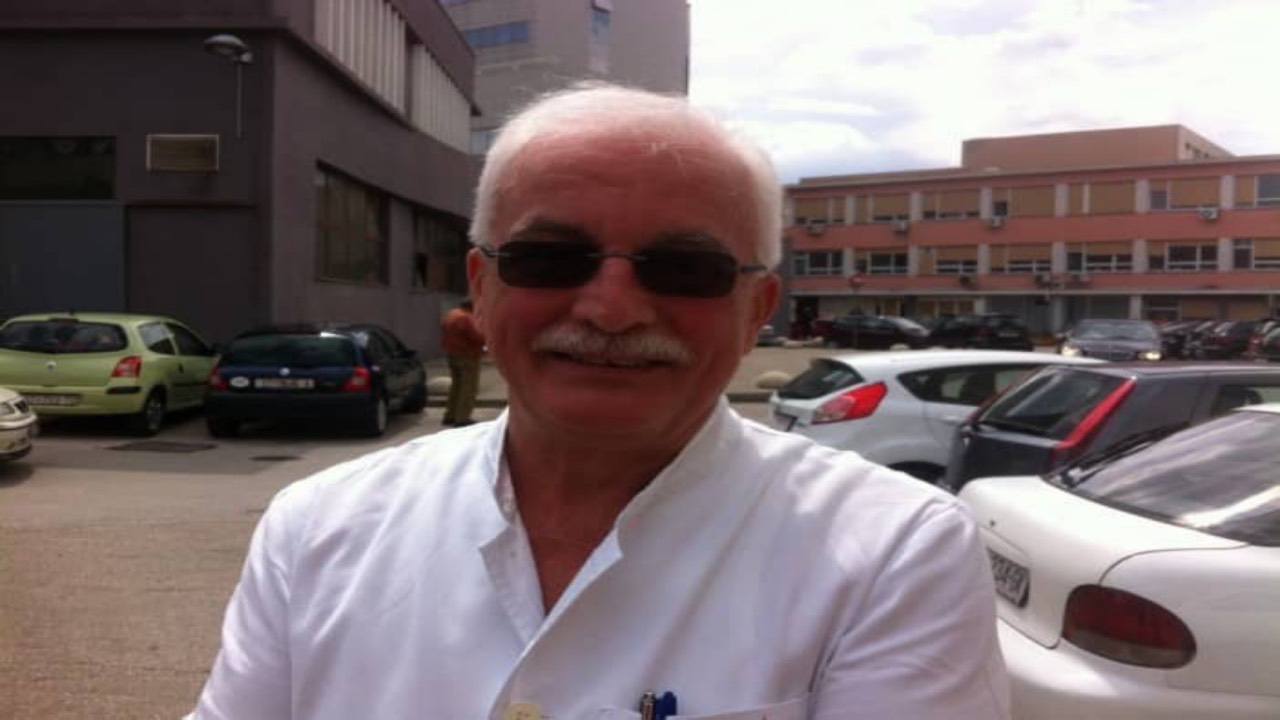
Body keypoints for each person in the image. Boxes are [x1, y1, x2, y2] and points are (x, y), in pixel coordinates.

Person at [187, 83, 1010, 720]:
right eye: (551, 257)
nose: (611, 309)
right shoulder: (316, 527)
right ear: (482, 288)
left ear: (757, 309)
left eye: (683, 269)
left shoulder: (895, 553)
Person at [441, 299, 484, 426]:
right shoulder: (466, 318)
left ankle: (450, 414)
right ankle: (462, 418)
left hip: (452, 354)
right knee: (468, 388)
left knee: (456, 386)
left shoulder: (450, 315)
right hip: (467, 355)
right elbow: (477, 336)